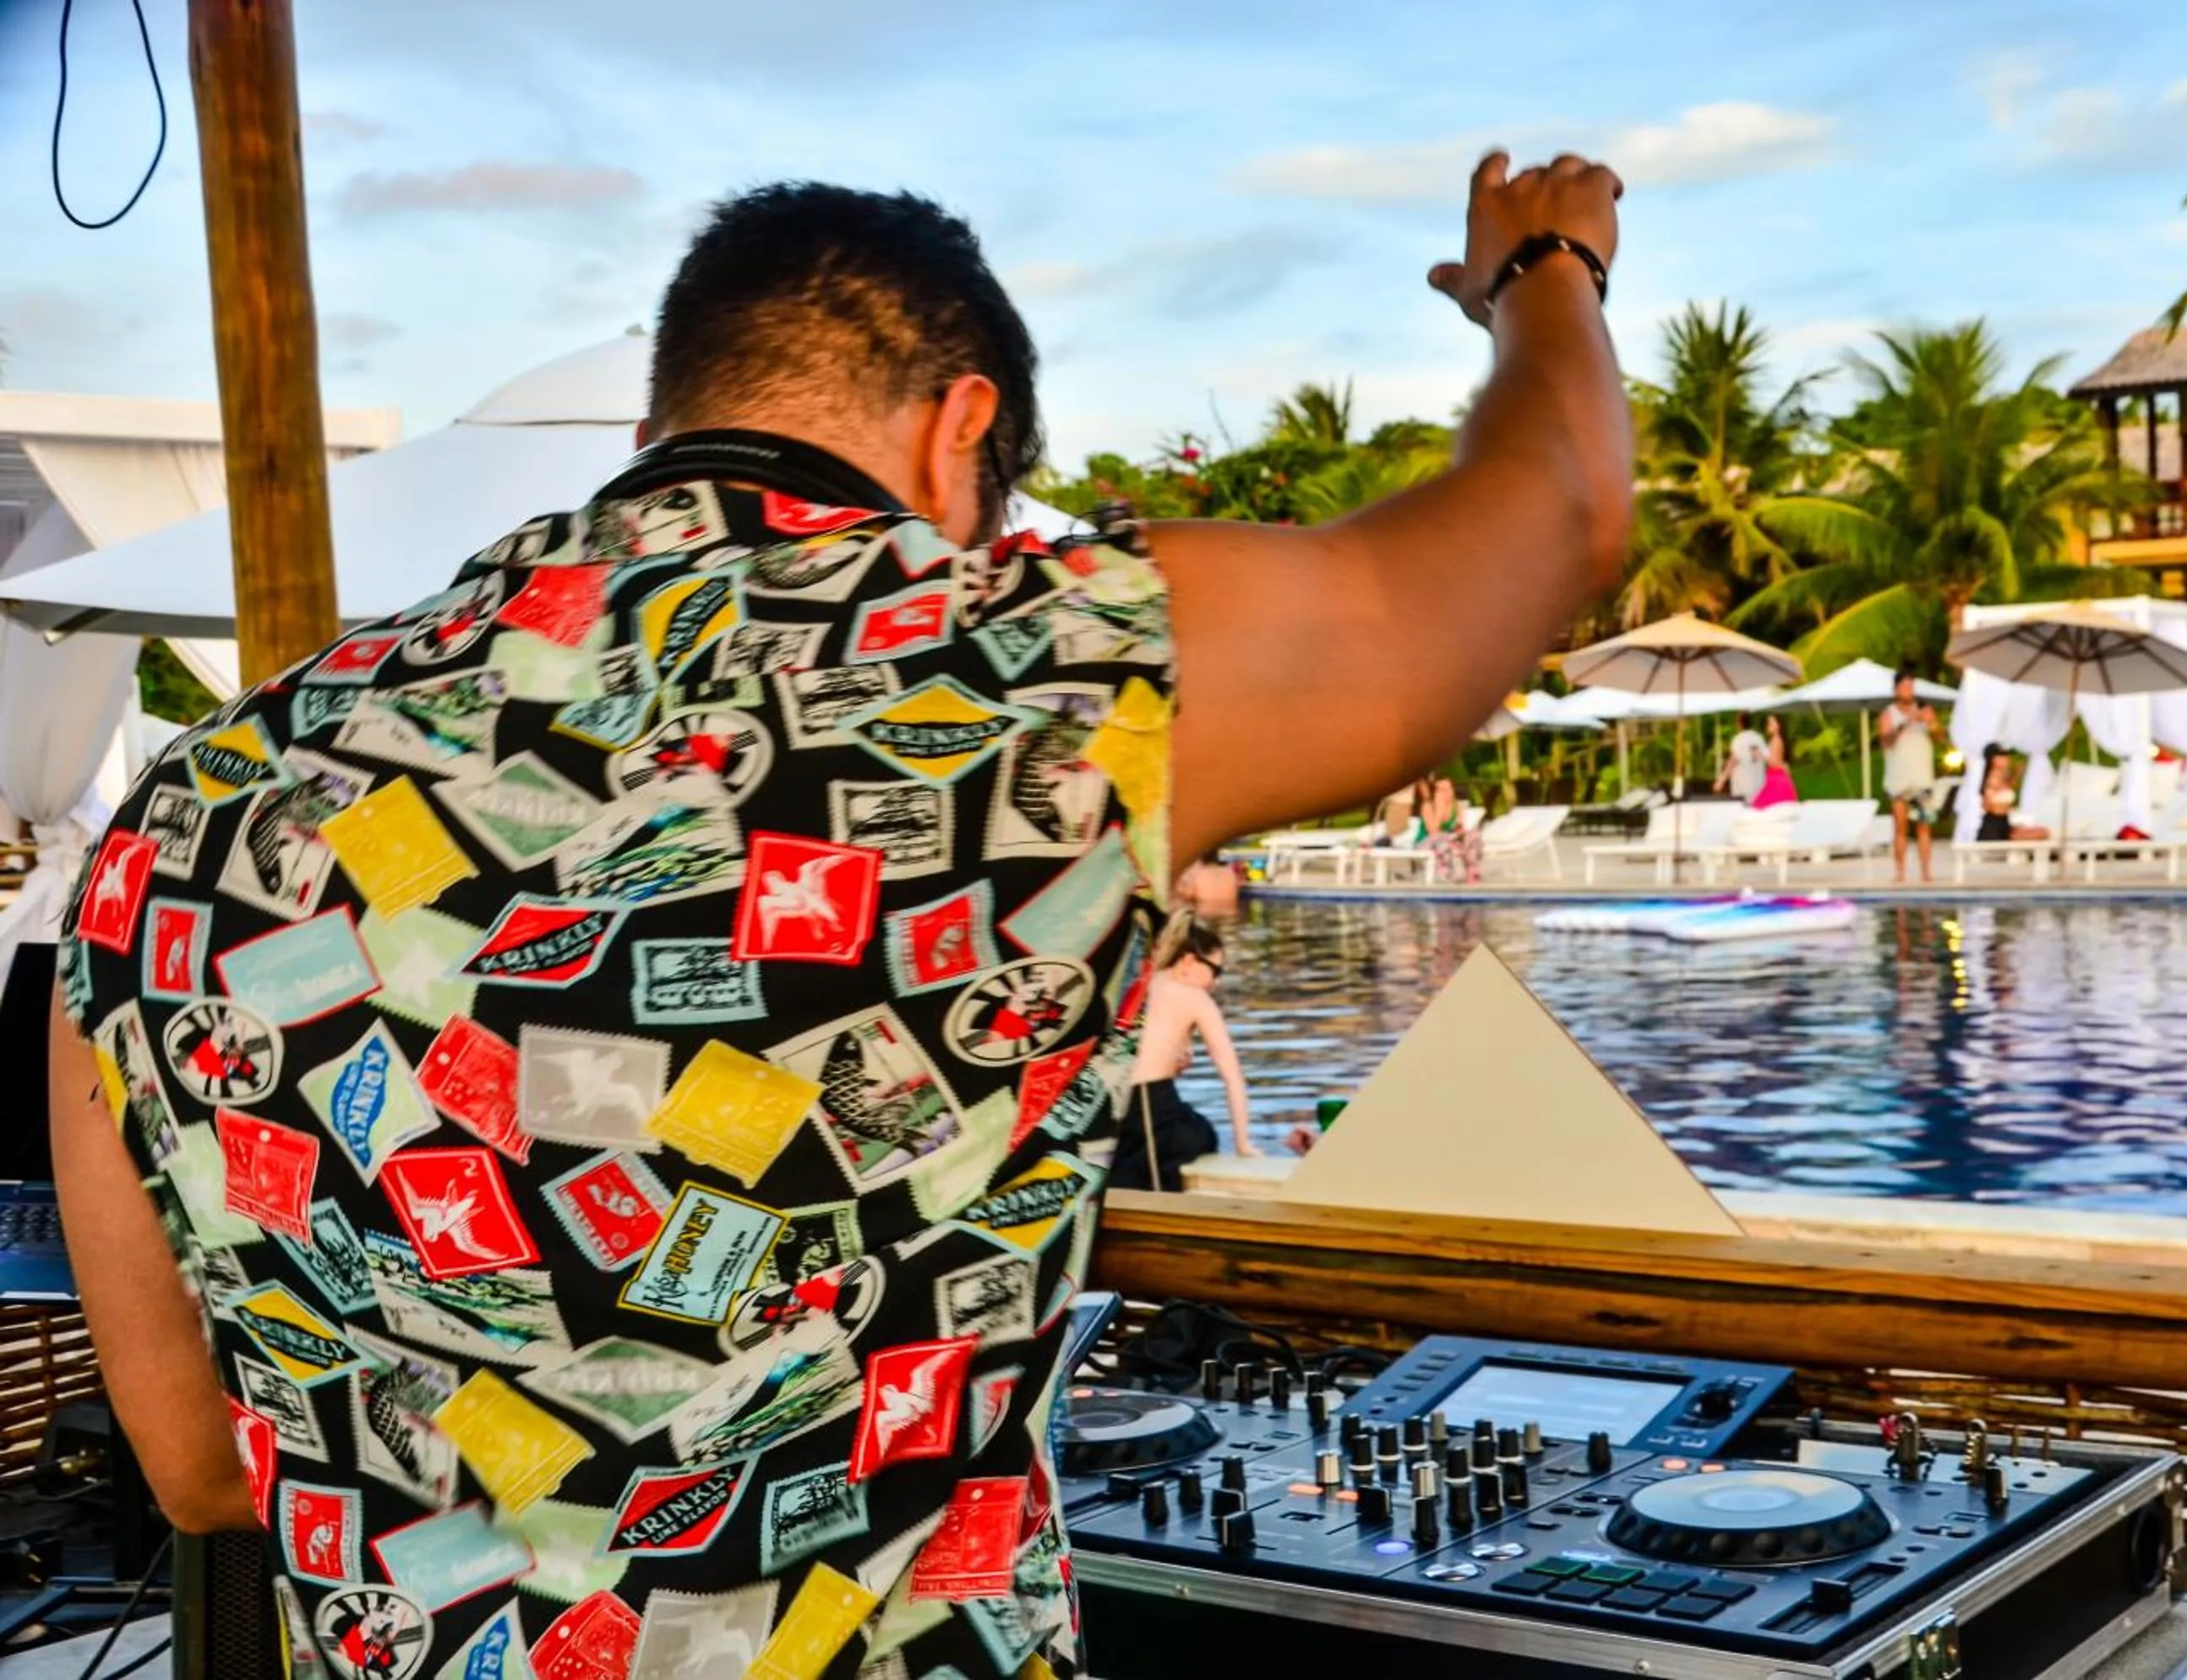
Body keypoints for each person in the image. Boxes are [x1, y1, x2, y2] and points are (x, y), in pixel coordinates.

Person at [50, 150, 1632, 1678]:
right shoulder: (1014, 665)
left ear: (669, 412)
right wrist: (1542, 274)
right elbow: (1551, 516)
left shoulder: (186, 807)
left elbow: (195, 1463)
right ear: (964, 429)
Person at [1117, 921, 1254, 1188]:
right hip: (1153, 1108)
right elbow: (1232, 1075)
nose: (1216, 982)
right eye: (1215, 970)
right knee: (1202, 1135)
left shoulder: (1136, 984)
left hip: (1114, 1106)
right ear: (1189, 960)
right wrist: (1243, 1143)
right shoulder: (1194, 996)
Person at [1879, 671, 1944, 883]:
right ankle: (1900, 873)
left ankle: (1926, 872)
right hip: (1899, 779)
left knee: (1924, 827)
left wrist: (1931, 723)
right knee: (1900, 827)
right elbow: (1886, 740)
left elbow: (1940, 737)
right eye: (1904, 687)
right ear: (1896, 690)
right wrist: (1907, 722)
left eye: (1911, 686)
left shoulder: (1925, 710)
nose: (1909, 690)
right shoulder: (1888, 714)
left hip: (1922, 778)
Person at [1419, 774, 1485, 884]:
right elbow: (1433, 833)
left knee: (1473, 836)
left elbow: (1459, 827)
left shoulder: (1456, 805)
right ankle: (1447, 875)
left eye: (1449, 789)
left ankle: (1471, 869)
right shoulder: (1428, 806)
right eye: (1442, 791)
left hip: (1447, 840)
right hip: (1426, 843)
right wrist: (1439, 812)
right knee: (1441, 841)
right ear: (1435, 793)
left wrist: (1461, 834)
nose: (1447, 793)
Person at [1976, 746, 2050, 843]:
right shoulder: (1990, 781)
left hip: (2005, 823)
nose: (2007, 759)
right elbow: (1988, 804)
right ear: (1993, 759)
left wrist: (2017, 775)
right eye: (2002, 756)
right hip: (1993, 827)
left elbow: (2008, 789)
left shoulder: (2004, 779)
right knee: (2039, 834)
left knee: (2043, 832)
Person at [1716, 712, 1769, 804]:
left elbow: (1733, 761)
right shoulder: (1760, 738)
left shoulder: (1738, 739)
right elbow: (1766, 758)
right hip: (1759, 785)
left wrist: (1721, 780)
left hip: (1743, 787)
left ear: (1739, 723)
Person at [1753, 716, 1797, 809]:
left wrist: (1760, 755)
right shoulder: (1776, 740)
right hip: (1775, 778)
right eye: (1768, 723)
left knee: (1761, 806)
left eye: (1772, 723)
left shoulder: (1776, 740)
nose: (1769, 726)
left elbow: (1774, 762)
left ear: (1779, 726)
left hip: (1776, 780)